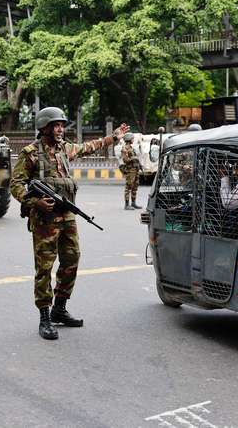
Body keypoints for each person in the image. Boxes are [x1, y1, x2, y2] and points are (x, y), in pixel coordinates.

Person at [10, 107, 128, 340]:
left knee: (72, 259)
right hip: (45, 219)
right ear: (44, 127)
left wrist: (113, 137)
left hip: (67, 216)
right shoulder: (31, 153)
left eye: (62, 125)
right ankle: (44, 315)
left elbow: (87, 148)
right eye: (56, 125)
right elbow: (15, 184)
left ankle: (59, 309)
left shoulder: (64, 149)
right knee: (44, 266)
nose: (61, 129)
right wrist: (34, 201)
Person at [120, 133, 141, 210]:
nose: (133, 139)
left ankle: (133, 203)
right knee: (128, 187)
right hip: (130, 170)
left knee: (135, 186)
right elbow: (125, 160)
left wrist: (139, 164)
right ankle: (126, 205)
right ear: (129, 139)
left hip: (135, 169)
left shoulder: (131, 148)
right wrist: (134, 158)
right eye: (132, 138)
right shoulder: (125, 148)